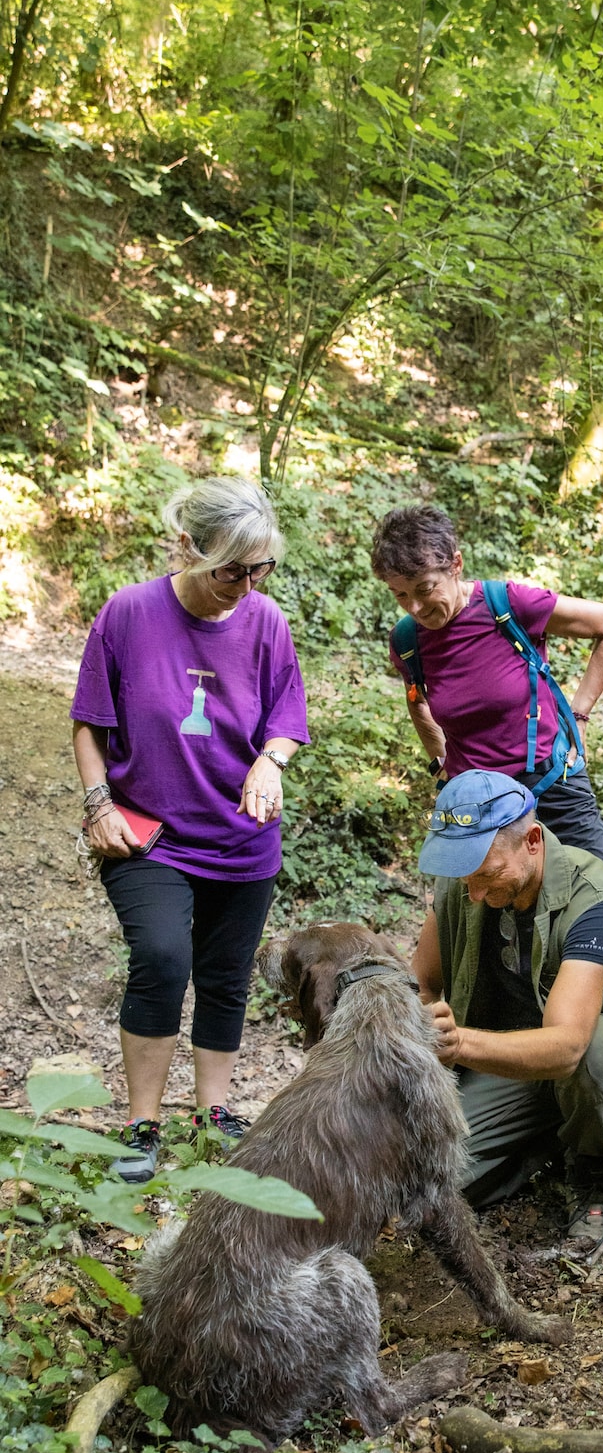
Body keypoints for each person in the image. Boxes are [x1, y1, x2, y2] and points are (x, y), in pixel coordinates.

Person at [371, 501, 603, 1163]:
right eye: (401, 596)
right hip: (475, 814)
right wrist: (438, 761)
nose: (418, 605)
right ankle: (502, 1082)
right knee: (467, 929)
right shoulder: (409, 640)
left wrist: (581, 712)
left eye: (425, 589)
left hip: (550, 793)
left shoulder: (510, 605)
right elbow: (421, 702)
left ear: (456, 565)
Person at [71, 476, 309, 1182]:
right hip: (149, 834)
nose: (245, 583)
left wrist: (270, 762)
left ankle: (212, 1112)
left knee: (226, 976)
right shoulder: (128, 614)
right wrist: (97, 805)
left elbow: (287, 720)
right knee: (164, 956)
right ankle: (141, 1123)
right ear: (187, 548)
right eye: (231, 569)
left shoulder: (265, 621)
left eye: (259, 568)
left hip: (242, 835)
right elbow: (89, 721)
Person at [412, 769, 603, 1254]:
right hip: (507, 1064)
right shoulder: (465, 881)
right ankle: (546, 1140)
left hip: (599, 1072)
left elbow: (567, 1045)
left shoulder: (596, 901)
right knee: (428, 1185)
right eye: (464, 876)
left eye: (485, 873)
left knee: (594, 1052)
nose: (473, 893)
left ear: (533, 841)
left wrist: (457, 1043)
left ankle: (595, 1176)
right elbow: (422, 981)